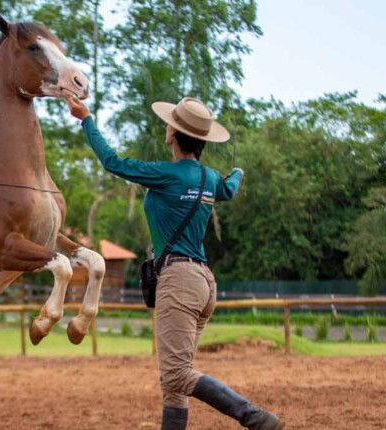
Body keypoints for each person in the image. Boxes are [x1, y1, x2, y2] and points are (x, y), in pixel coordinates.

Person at [66, 96, 285, 430]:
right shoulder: (210, 178)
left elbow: (112, 161)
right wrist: (239, 172)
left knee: (177, 374)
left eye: (169, 123)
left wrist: (86, 119)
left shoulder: (166, 175)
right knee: (173, 382)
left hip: (179, 281)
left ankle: (254, 417)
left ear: (173, 134)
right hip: (203, 283)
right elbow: (228, 189)